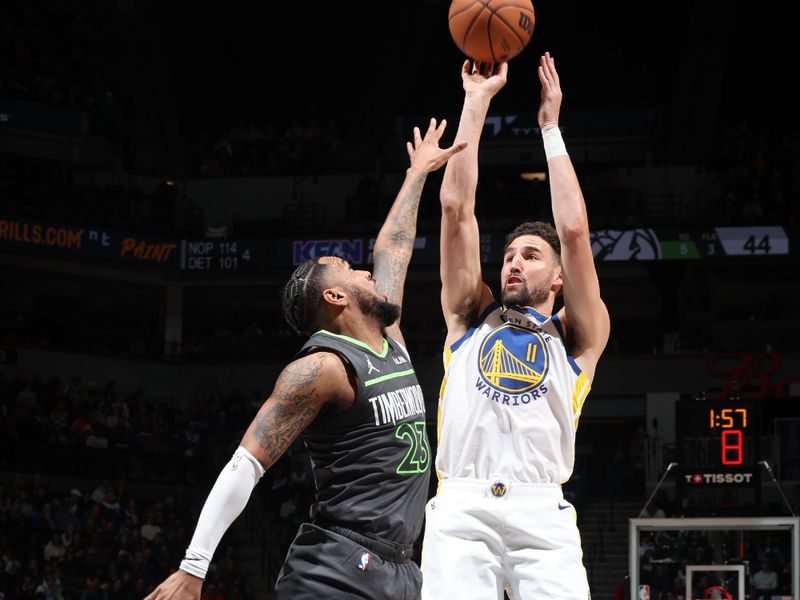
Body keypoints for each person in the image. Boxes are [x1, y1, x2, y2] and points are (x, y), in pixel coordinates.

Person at [144, 118, 466, 600]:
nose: (366, 271)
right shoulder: (322, 368)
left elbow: (394, 246)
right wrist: (194, 566)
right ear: (336, 296)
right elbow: (244, 465)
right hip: (334, 569)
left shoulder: (388, 331)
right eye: (351, 270)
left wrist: (417, 171)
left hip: (400, 568)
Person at [420, 52, 611, 599]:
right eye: (508, 254)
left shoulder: (579, 335)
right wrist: (475, 102)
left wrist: (550, 129)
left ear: (556, 280)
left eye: (529, 255)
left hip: (542, 511)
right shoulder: (468, 315)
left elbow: (574, 233)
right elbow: (455, 209)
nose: (512, 262)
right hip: (461, 507)